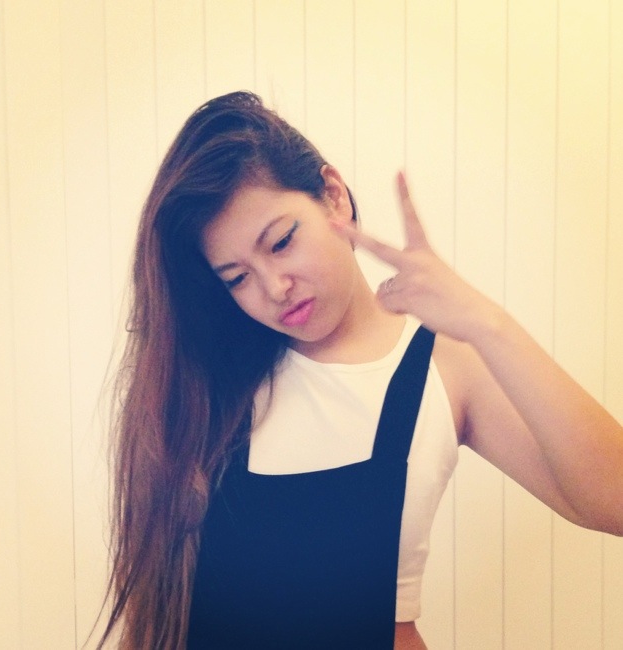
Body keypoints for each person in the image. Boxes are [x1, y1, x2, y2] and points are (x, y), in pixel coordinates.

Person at [98, 91, 623, 650]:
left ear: (333, 195)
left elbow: (612, 501)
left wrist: (485, 323)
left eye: (281, 242)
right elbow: (154, 611)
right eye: (237, 278)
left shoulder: (444, 366)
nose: (274, 288)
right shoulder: (208, 381)